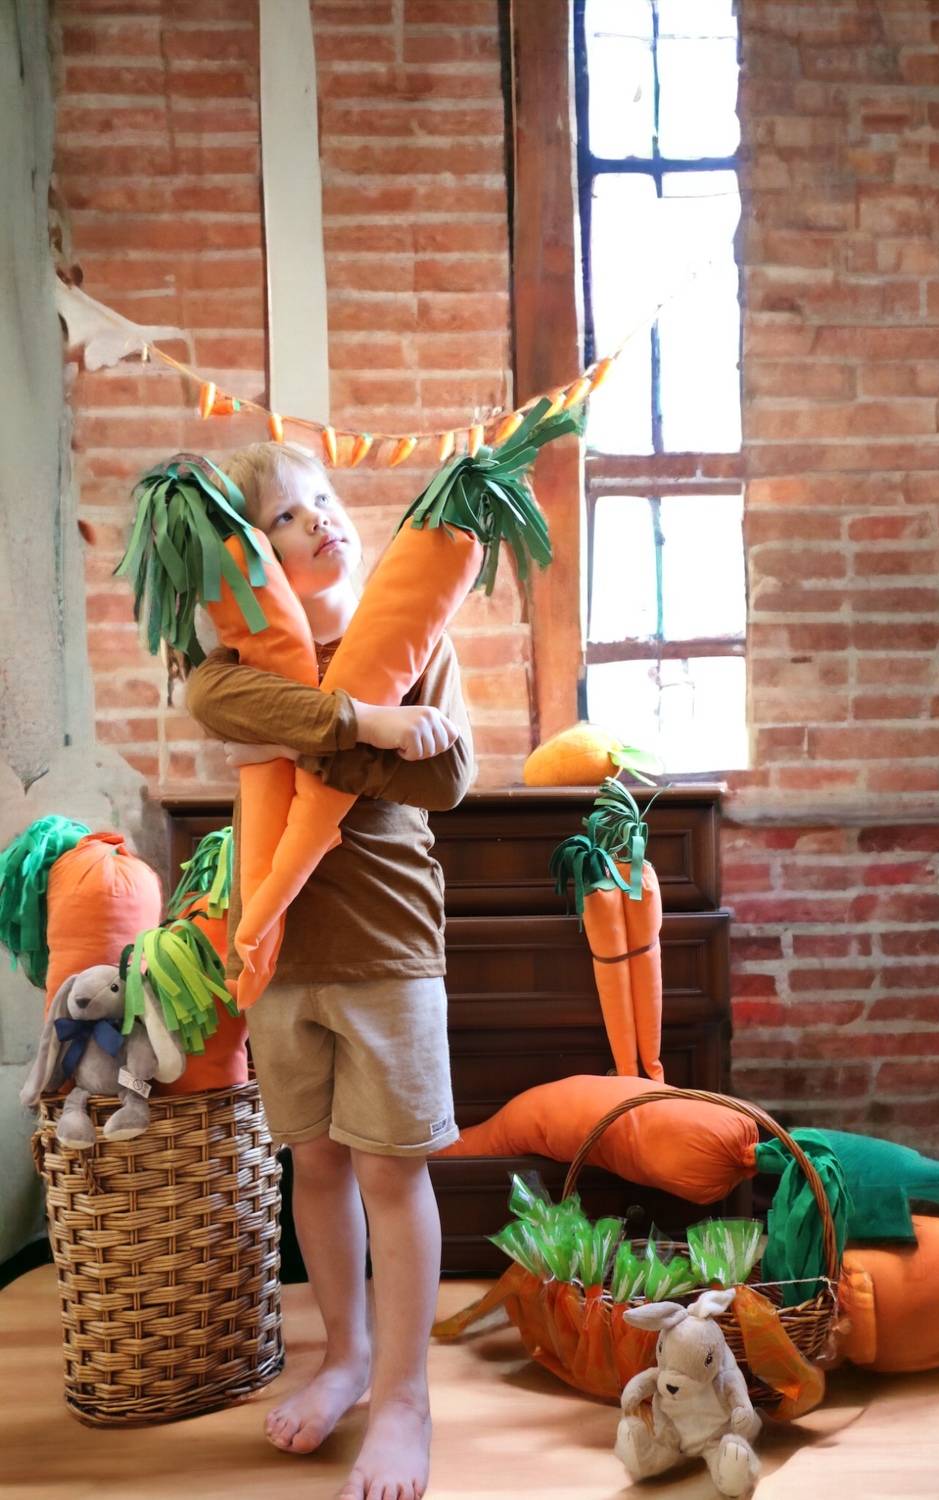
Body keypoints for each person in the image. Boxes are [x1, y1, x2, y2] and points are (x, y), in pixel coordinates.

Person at [185, 441, 473, 1500]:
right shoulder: (235, 665)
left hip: (387, 944)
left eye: (324, 500)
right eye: (285, 517)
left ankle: (404, 1397)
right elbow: (213, 703)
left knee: (391, 1171)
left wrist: (317, 740)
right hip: (280, 949)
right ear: (248, 559)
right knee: (314, 1162)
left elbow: (448, 774)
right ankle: (344, 1359)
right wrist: (365, 727)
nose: (318, 520)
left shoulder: (411, 633)